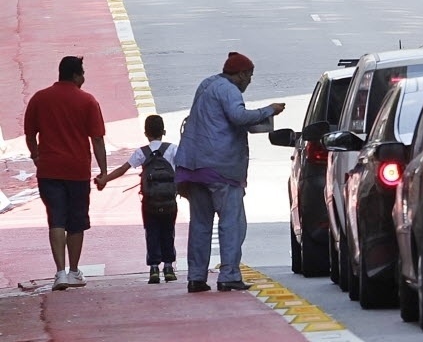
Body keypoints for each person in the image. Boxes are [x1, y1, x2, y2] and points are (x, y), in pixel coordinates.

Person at [174, 52, 285, 293]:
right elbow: (238, 116)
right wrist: (269, 110)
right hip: (221, 167)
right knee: (232, 223)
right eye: (250, 76)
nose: (250, 82)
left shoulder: (207, 84)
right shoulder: (229, 90)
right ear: (242, 74)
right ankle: (229, 275)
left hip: (194, 168)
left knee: (201, 224)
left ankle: (196, 277)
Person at [24, 56, 107, 291]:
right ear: (75, 75)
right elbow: (97, 139)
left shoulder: (40, 99)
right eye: (82, 73)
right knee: (76, 221)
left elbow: (30, 134)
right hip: (77, 170)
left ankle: (59, 273)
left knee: (56, 218)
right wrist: (103, 170)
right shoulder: (88, 101)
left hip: (49, 170)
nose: (84, 78)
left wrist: (36, 155)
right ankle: (73, 271)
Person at [96, 115, 178, 284]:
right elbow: (185, 168)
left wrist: (105, 179)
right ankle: (169, 267)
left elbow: (123, 169)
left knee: (152, 232)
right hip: (169, 201)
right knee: (168, 231)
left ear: (146, 133)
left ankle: (154, 268)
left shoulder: (142, 152)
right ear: (164, 132)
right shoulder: (173, 149)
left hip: (149, 202)